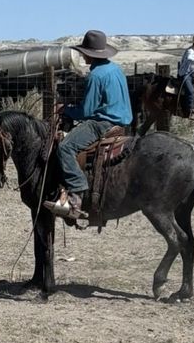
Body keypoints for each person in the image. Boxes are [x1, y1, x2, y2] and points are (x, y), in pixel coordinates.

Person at [44, 29, 132, 219]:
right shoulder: (116, 70)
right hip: (122, 121)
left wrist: (65, 109)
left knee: (65, 148)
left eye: (84, 52)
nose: (83, 56)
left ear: (91, 54)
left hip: (101, 124)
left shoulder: (96, 76)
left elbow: (86, 112)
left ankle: (77, 190)